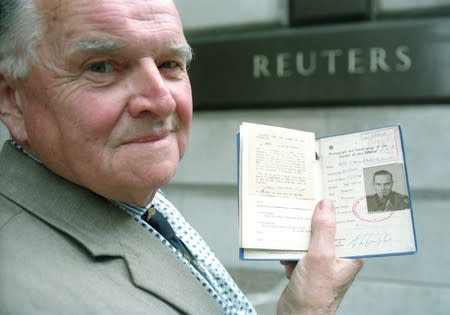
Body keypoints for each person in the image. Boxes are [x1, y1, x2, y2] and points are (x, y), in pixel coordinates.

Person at [0, 0, 364, 314]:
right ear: (12, 100)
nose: (161, 101)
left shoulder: (126, 195)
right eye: (101, 67)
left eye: (170, 63)